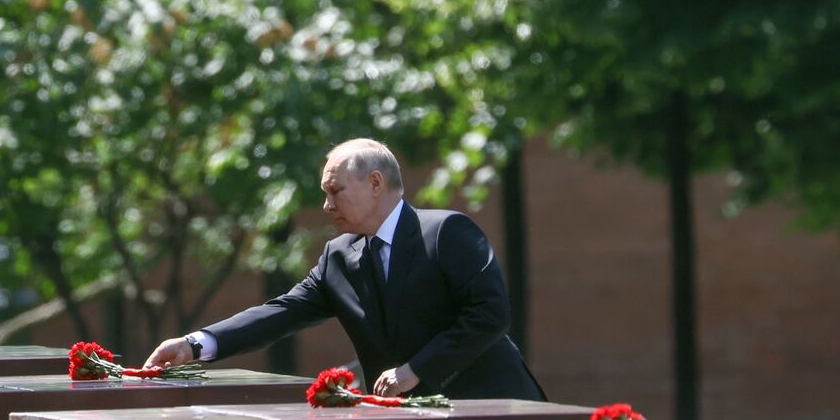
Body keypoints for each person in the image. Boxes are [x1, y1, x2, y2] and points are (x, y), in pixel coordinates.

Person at [144, 138, 545, 401]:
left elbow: (491, 315)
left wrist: (414, 371)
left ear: (375, 183)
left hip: (498, 412)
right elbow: (282, 312)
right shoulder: (339, 256)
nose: (326, 206)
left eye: (335, 191)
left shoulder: (445, 232)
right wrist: (196, 344)